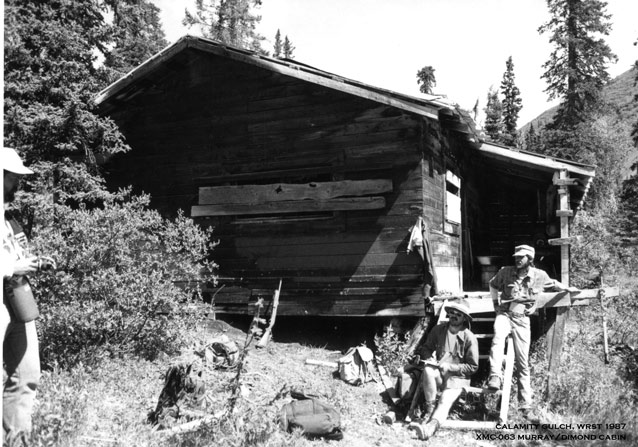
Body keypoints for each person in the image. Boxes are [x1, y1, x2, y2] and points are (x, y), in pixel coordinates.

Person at [2, 147, 56, 441]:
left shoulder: (10, 219)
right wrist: (12, 265)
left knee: (27, 375)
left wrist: (36, 262)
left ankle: (16, 439)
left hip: (18, 300)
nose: (17, 184)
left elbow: (18, 255)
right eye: (12, 177)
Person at [486, 244, 576, 417]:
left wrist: (569, 289)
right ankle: (495, 376)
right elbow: (492, 284)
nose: (517, 259)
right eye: (516, 256)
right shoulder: (505, 271)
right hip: (505, 314)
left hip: (522, 320)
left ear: (530, 259)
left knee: (522, 362)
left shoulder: (539, 276)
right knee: (498, 337)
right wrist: (495, 304)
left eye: (522, 257)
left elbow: (554, 284)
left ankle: (525, 405)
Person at [408, 299, 479, 440]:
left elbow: (473, 367)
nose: (453, 316)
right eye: (451, 313)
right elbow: (426, 348)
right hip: (440, 374)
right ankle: (428, 411)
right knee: (428, 369)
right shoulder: (439, 330)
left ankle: (429, 428)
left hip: (458, 379)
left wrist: (451, 367)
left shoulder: (469, 338)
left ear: (464, 318)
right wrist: (429, 358)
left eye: (458, 314)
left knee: (444, 402)